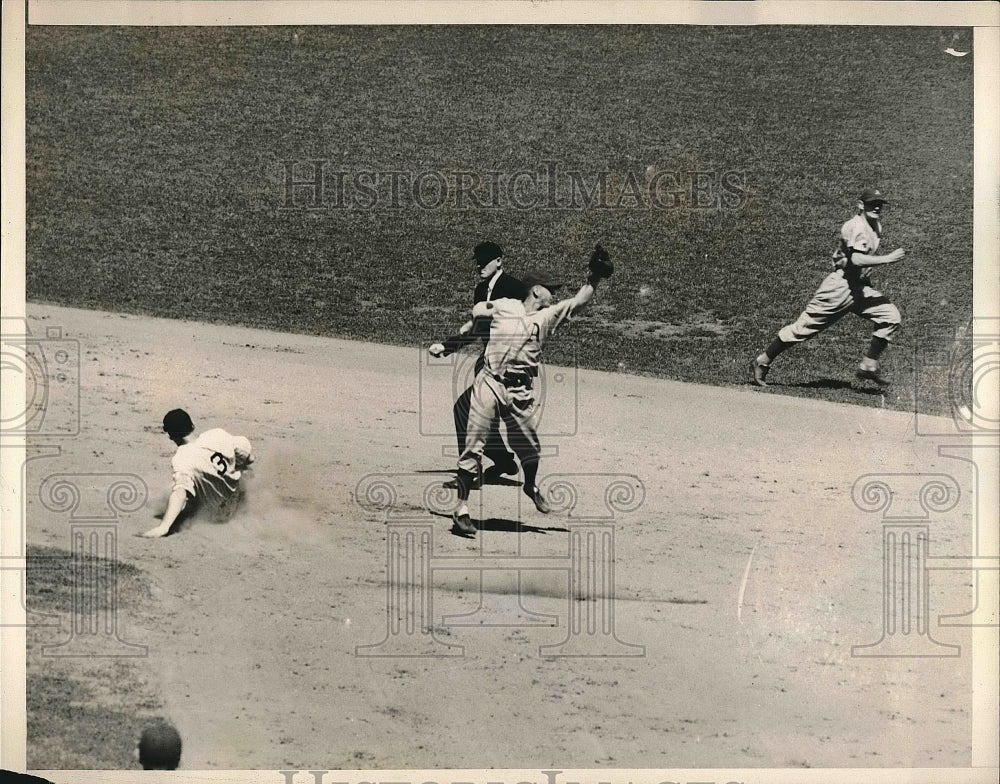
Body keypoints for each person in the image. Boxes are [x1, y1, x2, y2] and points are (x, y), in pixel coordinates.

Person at [431, 250, 611, 536]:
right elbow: (477, 318)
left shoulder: (549, 315)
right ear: (536, 290)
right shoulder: (505, 306)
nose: (554, 294)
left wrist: (596, 277)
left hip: (520, 390)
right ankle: (461, 508)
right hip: (490, 382)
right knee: (473, 445)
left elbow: (579, 301)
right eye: (550, 289)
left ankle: (530, 485)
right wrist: (452, 342)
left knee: (530, 450)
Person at [750, 187, 905, 387]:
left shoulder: (876, 225)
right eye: (871, 204)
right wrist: (887, 259)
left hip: (859, 288)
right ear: (860, 205)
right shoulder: (855, 226)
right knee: (803, 329)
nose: (876, 207)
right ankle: (762, 361)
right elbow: (856, 259)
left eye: (879, 204)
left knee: (891, 316)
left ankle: (868, 365)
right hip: (838, 288)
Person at [430, 241, 528, 483]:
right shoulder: (480, 290)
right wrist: (447, 346)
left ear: (499, 261)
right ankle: (502, 461)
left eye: (485, 261)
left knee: (466, 408)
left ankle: (470, 472)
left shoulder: (515, 288)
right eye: (478, 262)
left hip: (509, 364)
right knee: (477, 410)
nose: (479, 266)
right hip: (487, 361)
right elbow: (477, 328)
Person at [142, 409, 254, 538]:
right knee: (244, 469)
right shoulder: (216, 434)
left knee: (184, 485)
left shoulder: (182, 459)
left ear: (171, 436)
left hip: (221, 513)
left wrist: (164, 527)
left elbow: (180, 493)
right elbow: (250, 458)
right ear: (192, 426)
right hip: (240, 498)